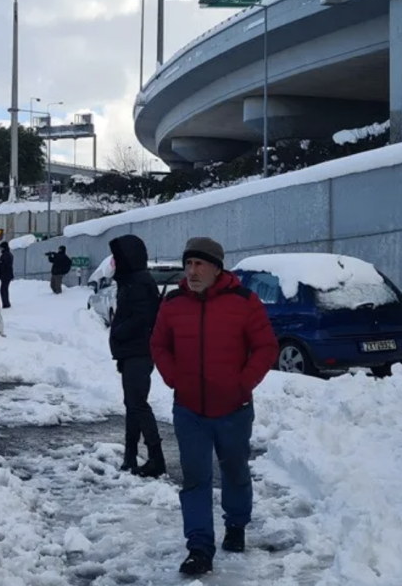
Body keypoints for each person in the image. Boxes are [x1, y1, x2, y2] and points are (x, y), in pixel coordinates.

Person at [149, 237, 278, 576]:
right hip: (189, 409)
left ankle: (236, 524)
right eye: (188, 264)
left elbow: (266, 347)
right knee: (195, 478)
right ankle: (199, 547)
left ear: (217, 269)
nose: (192, 271)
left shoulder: (245, 302)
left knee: (234, 470)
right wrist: (174, 378)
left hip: (234, 408)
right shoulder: (173, 303)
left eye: (199, 264)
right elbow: (158, 344)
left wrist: (242, 384)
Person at [107, 234, 164, 478]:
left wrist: (119, 332)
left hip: (138, 352)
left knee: (138, 404)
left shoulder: (139, 282)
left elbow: (142, 317)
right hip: (131, 351)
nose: (115, 261)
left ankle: (156, 457)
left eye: (117, 256)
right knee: (132, 404)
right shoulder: (130, 280)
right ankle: (130, 454)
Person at [0, 241, 14, 308]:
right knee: (5, 289)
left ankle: (6, 303)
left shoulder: (5, 255)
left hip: (5, 275)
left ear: (3, 248)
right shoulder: (9, 254)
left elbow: (3, 265)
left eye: (1, 248)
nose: (0, 249)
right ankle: (6, 303)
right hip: (8, 275)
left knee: (3, 289)